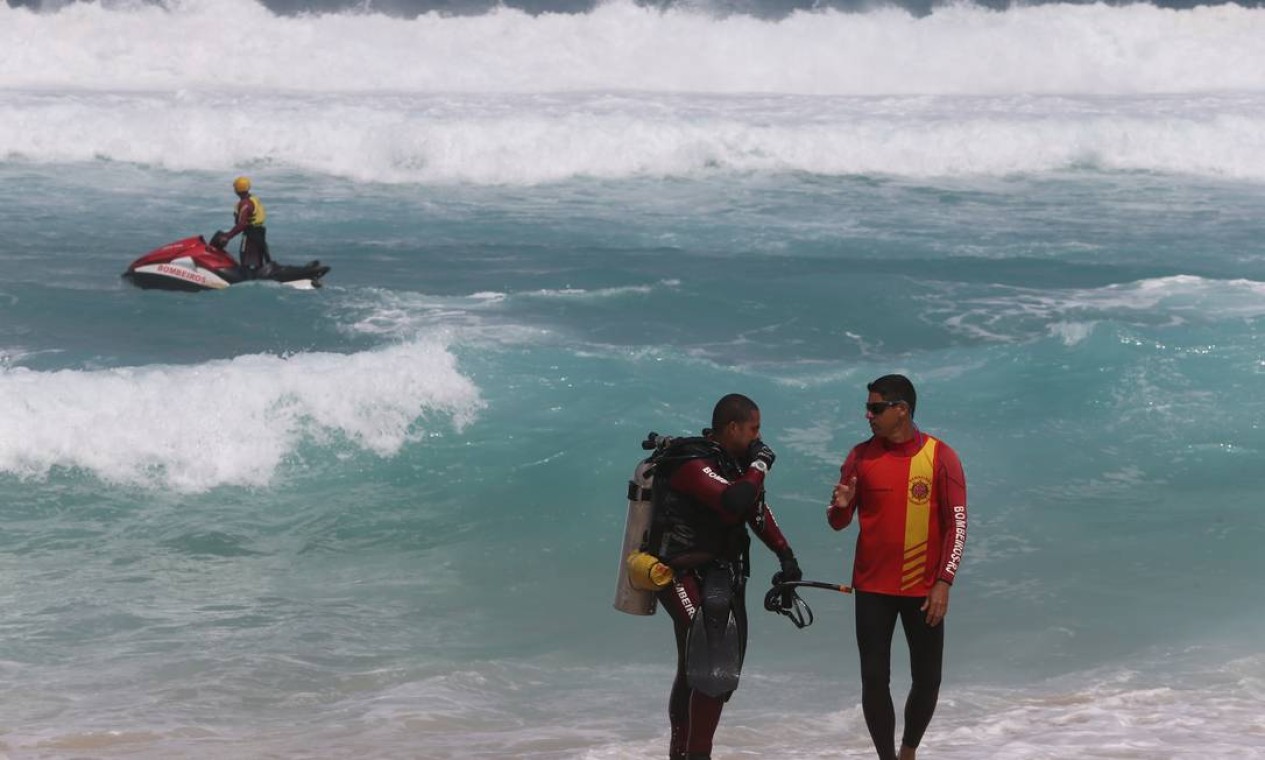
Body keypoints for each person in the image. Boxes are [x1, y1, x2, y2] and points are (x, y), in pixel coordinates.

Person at [652, 393, 803, 760]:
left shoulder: (736, 464)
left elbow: (755, 511)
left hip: (724, 574)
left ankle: (683, 753)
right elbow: (734, 501)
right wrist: (761, 466)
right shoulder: (693, 461)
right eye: (754, 429)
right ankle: (694, 754)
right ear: (733, 428)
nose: (758, 437)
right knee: (712, 662)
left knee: (699, 670)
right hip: (679, 574)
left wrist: (786, 557)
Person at [827, 374, 967, 760]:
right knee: (874, 680)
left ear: (901, 410)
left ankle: (908, 751)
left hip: (923, 590)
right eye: (868, 408)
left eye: (875, 408)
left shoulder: (940, 456)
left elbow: (958, 523)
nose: (868, 415)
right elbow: (838, 522)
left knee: (928, 680)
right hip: (872, 588)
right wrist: (840, 506)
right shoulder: (860, 456)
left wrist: (944, 581)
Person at [216, 176, 272, 278]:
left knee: (246, 265)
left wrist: (228, 236)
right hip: (260, 233)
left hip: (250, 235)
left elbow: (242, 224)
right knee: (259, 264)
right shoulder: (254, 199)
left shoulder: (245, 204)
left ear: (236, 190)